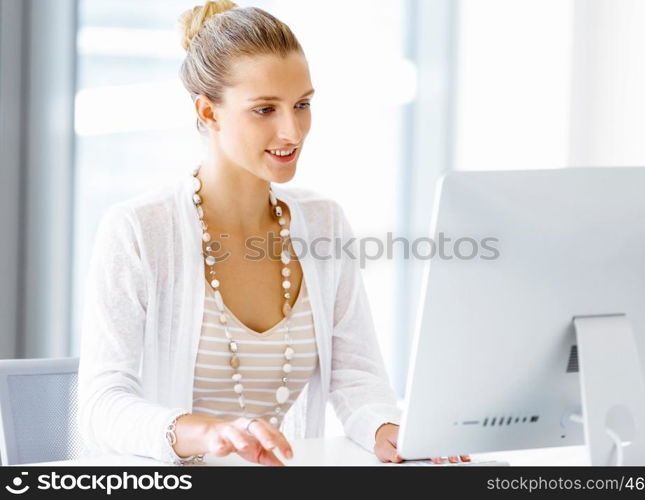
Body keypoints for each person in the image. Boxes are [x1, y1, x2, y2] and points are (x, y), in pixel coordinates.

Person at [77, 0, 469, 466]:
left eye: (302, 105)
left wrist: (390, 430)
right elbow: (102, 406)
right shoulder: (140, 230)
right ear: (209, 112)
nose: (292, 131)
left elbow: (357, 378)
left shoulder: (323, 222)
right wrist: (209, 433)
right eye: (265, 109)